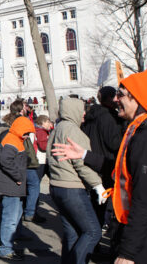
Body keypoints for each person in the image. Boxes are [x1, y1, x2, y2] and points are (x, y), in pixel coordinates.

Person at [53, 69, 147, 264]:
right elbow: (124, 171)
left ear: (138, 98)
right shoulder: (144, 129)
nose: (115, 100)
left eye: (121, 94)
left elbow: (145, 200)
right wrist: (83, 155)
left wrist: (127, 253)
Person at [46, 98, 104, 264]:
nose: (84, 114)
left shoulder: (57, 129)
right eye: (82, 110)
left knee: (72, 232)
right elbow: (81, 163)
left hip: (57, 186)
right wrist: (97, 185)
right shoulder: (73, 131)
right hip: (72, 188)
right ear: (74, 111)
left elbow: (50, 158)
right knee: (93, 232)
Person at [0, 116, 35, 261]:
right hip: (11, 185)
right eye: (26, 132)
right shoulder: (12, 140)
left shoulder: (15, 138)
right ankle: (5, 249)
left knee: (13, 217)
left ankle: (1, 242)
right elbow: (5, 161)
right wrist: (17, 177)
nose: (28, 136)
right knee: (10, 219)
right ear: (20, 129)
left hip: (12, 185)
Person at [80, 86, 123, 221]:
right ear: (110, 99)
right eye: (116, 97)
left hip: (90, 159)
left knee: (95, 201)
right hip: (105, 162)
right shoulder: (108, 117)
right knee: (103, 202)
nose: (118, 100)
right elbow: (114, 143)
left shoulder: (91, 115)